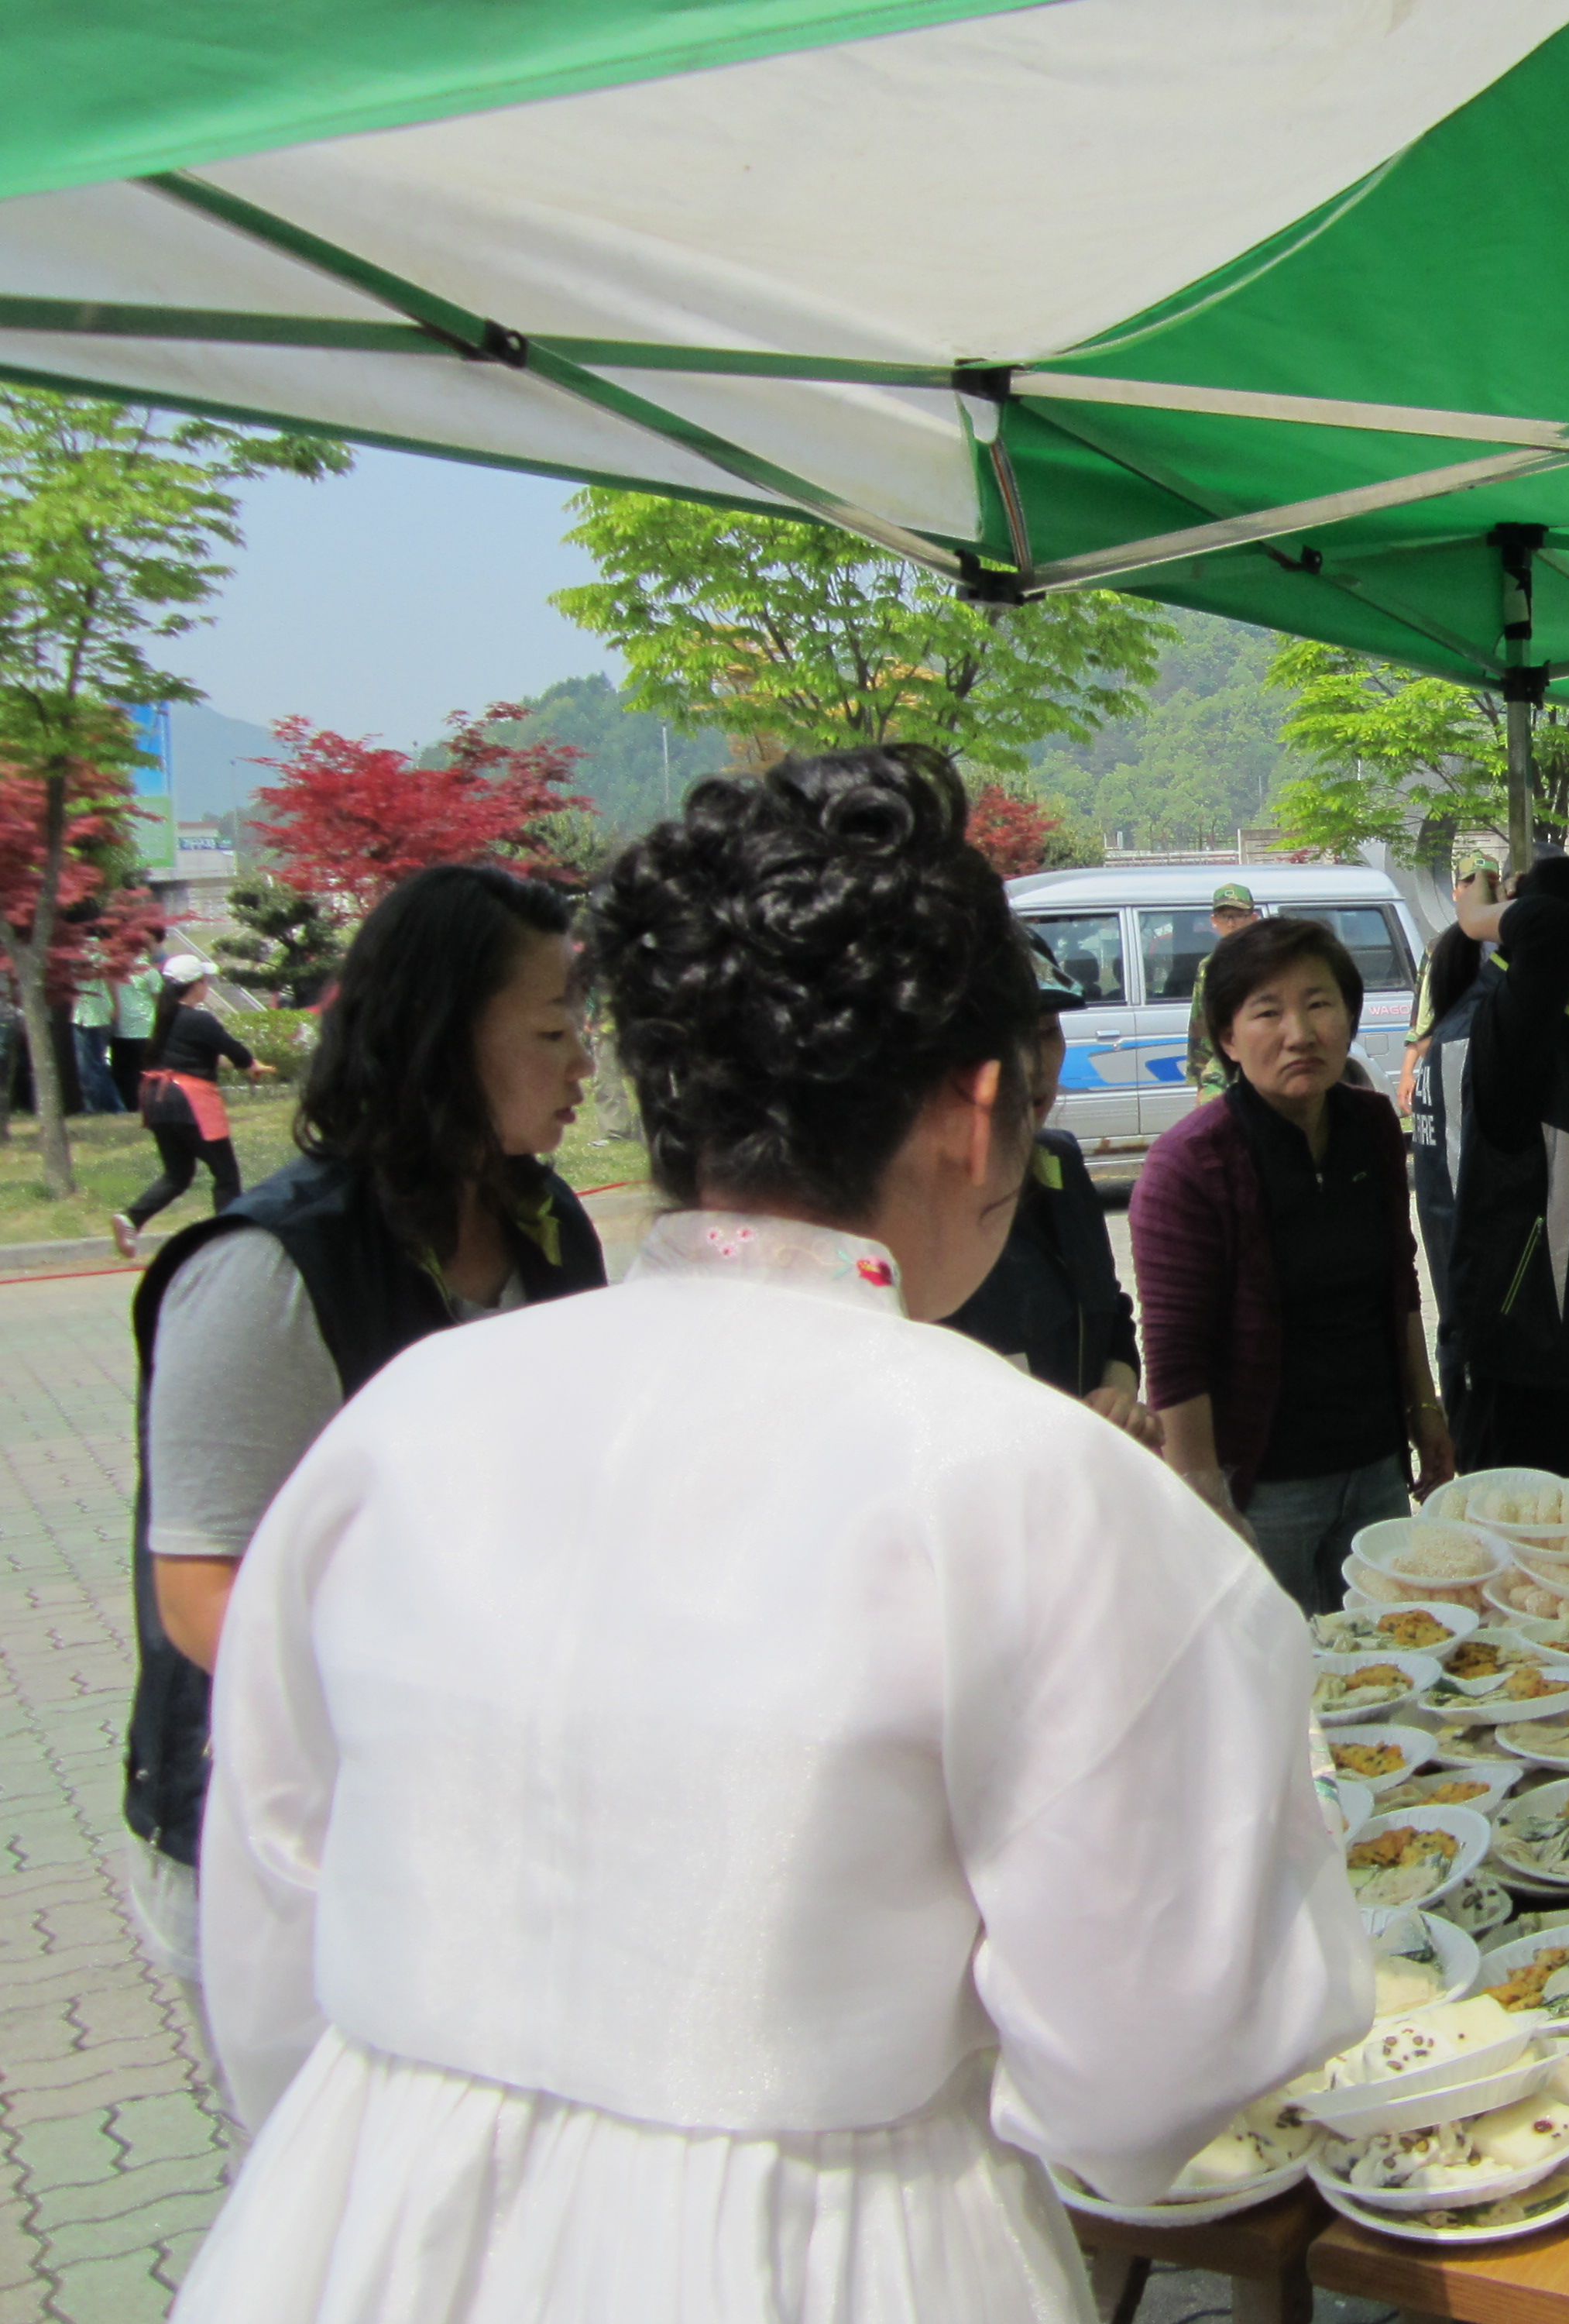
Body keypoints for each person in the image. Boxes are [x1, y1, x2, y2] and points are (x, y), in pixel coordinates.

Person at [178, 746, 1366, 2321]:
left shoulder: (407, 1420)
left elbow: (269, 1932)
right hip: (832, 2249)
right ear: (980, 1110)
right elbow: (1153, 2068)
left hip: (360, 2223)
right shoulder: (1028, 1479)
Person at [116, 865, 609, 2030]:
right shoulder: (269, 1270)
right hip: (286, 1830)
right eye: (552, 1031)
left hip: (479, 1812)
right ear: (441, 1040)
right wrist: (437, 1725)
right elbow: (202, 1594)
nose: (585, 1062)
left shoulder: (548, 1230)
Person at [1135, 916, 1455, 1610]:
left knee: (1386, 1649)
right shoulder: (1189, 1165)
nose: (1300, 1033)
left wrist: (1424, 1410)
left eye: (1318, 1004)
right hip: (1261, 1486)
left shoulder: (1371, 1126)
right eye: (1267, 1012)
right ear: (1227, 1037)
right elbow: (1175, 1357)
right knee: (1279, 1666)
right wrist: (1205, 1502)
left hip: (1374, 1466)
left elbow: (1397, 1282)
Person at [1447, 854, 1569, 1477]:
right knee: (1511, 1527)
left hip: (1559, 1340)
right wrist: (1476, 917)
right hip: (1517, 1346)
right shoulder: (1517, 1038)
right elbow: (1548, 928)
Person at [939, 927, 1161, 1446]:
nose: (1032, 1066)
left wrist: (1117, 1397)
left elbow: (1111, 1319)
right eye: (1006, 1039)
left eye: (1046, 1033)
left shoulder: (1058, 1163)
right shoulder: (910, 1203)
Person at [112, 957, 278, 1259]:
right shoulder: (200, 1020)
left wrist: (246, 1065)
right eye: (205, 981)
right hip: (189, 1101)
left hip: (158, 1100)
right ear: (196, 985)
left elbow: (199, 1056)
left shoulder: (165, 1017)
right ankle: (227, 1240)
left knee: (178, 1174)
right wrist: (249, 1063)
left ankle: (132, 1219)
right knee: (225, 1174)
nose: (207, 986)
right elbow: (235, 1051)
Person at [1403, 916, 1490, 1415]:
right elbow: (1461, 1167)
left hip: (1449, 1231)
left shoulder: (1448, 1036)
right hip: (1467, 1245)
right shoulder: (1465, 1040)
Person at [1182, 879, 1262, 1097]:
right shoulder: (1209, 967)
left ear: (1253, 919)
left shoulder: (1270, 962)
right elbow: (1200, 1024)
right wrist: (1200, 1080)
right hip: (1223, 1070)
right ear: (1214, 921)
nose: (1231, 923)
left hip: (1263, 1063)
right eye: (1225, 916)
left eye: (1239, 915)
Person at [110, 955, 160, 1112]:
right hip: (131, 1029)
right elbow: (159, 999)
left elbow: (159, 1000)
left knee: (134, 1074)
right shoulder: (113, 968)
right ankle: (137, 1107)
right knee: (131, 1074)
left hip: (136, 1029)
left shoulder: (146, 969)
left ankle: (139, 1107)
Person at [73, 975, 122, 1112]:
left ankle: (113, 1106)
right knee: (86, 1068)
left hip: (97, 1017)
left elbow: (110, 979)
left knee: (96, 1065)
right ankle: (94, 1105)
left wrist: (116, 1006)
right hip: (80, 1016)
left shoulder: (99, 963)